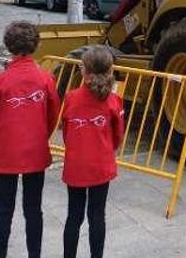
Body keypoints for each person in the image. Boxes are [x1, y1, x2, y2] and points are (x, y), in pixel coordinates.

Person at [0, 21, 61, 258]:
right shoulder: (46, 80)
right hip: (35, 151)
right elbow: (53, 115)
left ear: (8, 46)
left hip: (6, 153)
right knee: (33, 210)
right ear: (35, 45)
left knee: (2, 211)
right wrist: (40, 136)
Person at [61, 46, 125, 258]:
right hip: (101, 164)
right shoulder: (114, 101)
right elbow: (118, 135)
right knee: (97, 215)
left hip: (76, 164)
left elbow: (66, 131)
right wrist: (106, 148)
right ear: (109, 71)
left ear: (84, 72)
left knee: (74, 216)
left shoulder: (71, 98)